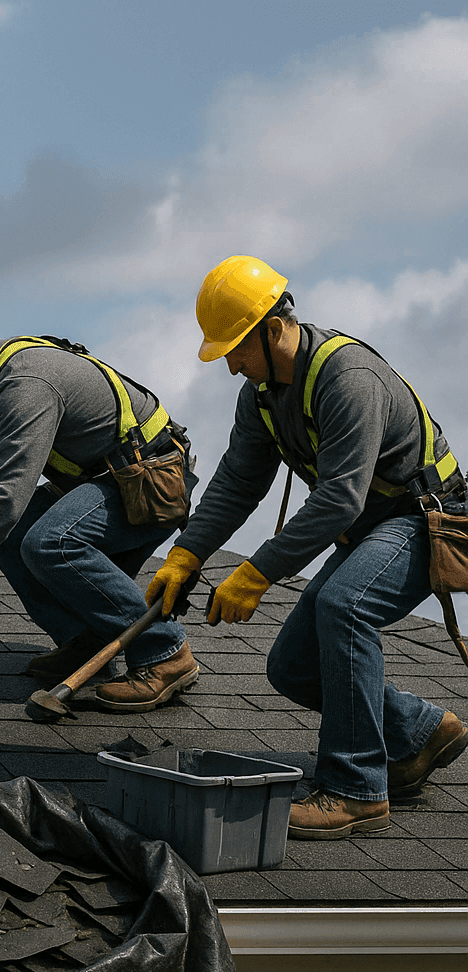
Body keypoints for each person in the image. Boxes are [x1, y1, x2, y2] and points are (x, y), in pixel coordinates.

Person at [148, 255, 468, 840]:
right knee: (293, 667)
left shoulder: (348, 378)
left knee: (343, 607)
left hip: (425, 518)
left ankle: (355, 791)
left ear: (275, 329)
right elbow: (239, 480)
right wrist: (186, 555)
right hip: (374, 525)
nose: (232, 367)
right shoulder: (264, 395)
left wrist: (255, 573)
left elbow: (341, 499)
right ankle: (421, 732)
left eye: (237, 350)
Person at [0, 312, 198, 708]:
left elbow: (5, 499)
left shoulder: (25, 386)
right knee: (13, 535)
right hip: (114, 482)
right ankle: (90, 640)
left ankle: (164, 653)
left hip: (152, 481)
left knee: (50, 541)